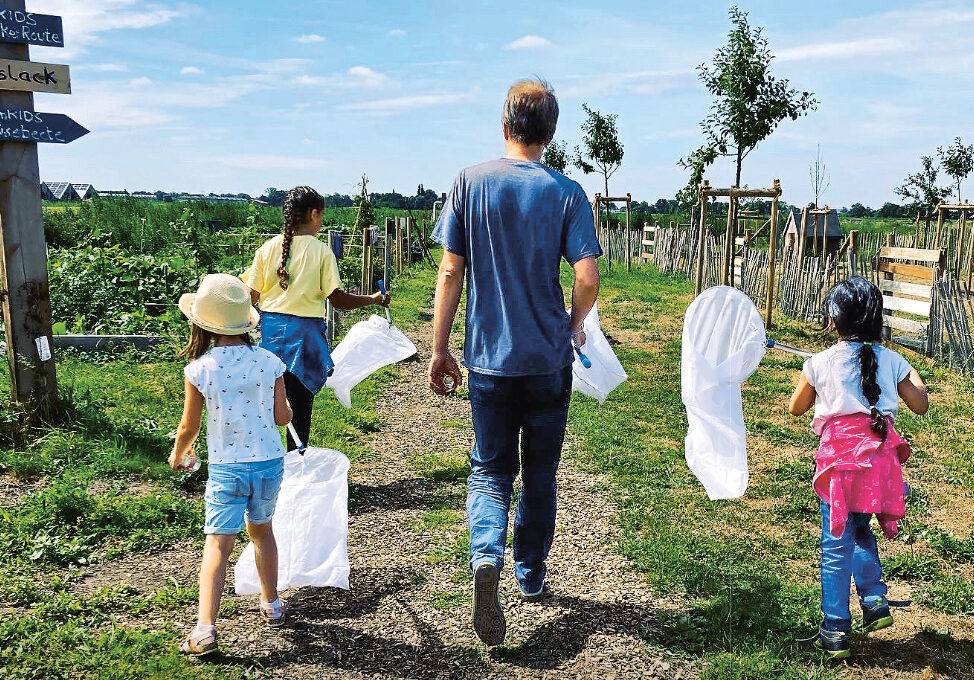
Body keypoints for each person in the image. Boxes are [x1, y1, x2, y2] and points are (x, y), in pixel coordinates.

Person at [428, 79, 601, 646]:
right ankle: (529, 574)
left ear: (505, 125)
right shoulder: (569, 193)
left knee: (489, 467)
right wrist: (574, 323)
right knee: (542, 472)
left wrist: (439, 348)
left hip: (489, 361)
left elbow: (451, 272)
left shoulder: (468, 183)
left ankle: (486, 558)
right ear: (550, 133)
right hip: (548, 360)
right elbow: (587, 277)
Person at [789, 277, 928, 659]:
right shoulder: (892, 360)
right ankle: (874, 599)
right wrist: (910, 372)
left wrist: (811, 377)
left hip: (840, 468)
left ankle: (834, 630)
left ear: (832, 321)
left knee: (836, 543)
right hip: (879, 467)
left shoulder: (817, 363)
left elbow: (796, 408)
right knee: (861, 527)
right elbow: (920, 403)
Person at [169, 273, 294, 656]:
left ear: (202, 324)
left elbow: (190, 425)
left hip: (227, 467)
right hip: (269, 462)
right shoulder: (270, 362)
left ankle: (205, 629)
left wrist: (178, 453)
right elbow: (282, 417)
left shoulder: (200, 369)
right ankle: (271, 604)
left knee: (218, 544)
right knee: (262, 532)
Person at [242, 186, 390, 450]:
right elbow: (338, 299)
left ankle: (267, 466)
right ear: (313, 214)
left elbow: (251, 296)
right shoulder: (321, 252)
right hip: (305, 341)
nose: (321, 221)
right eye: (321, 215)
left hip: (272, 338)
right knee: (299, 409)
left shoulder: (267, 250)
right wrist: (373, 299)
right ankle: (298, 466)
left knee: (272, 404)